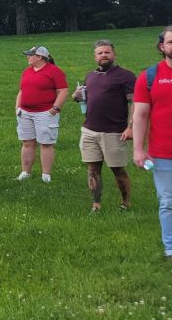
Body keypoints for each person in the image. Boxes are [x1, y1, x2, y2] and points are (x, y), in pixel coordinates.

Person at [133, 25, 172, 260]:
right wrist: (138, 150)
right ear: (162, 46)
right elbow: (140, 115)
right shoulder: (150, 76)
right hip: (164, 153)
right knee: (170, 202)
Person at [72, 39, 135, 214]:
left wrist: (130, 127)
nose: (103, 55)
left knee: (117, 169)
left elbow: (134, 103)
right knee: (92, 169)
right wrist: (75, 96)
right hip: (89, 130)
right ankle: (96, 205)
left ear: (114, 54)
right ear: (95, 57)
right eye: (100, 53)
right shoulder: (90, 76)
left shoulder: (125, 76)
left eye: (107, 52)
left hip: (114, 131)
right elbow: (82, 98)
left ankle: (125, 202)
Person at [16, 46, 69, 183]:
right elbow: (22, 91)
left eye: (30, 55)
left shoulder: (54, 71)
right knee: (27, 142)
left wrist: (55, 108)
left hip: (45, 113)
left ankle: (46, 175)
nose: (27, 57)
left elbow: (63, 91)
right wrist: (18, 108)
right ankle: (25, 172)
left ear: (39, 57)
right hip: (25, 113)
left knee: (46, 143)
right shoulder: (27, 72)